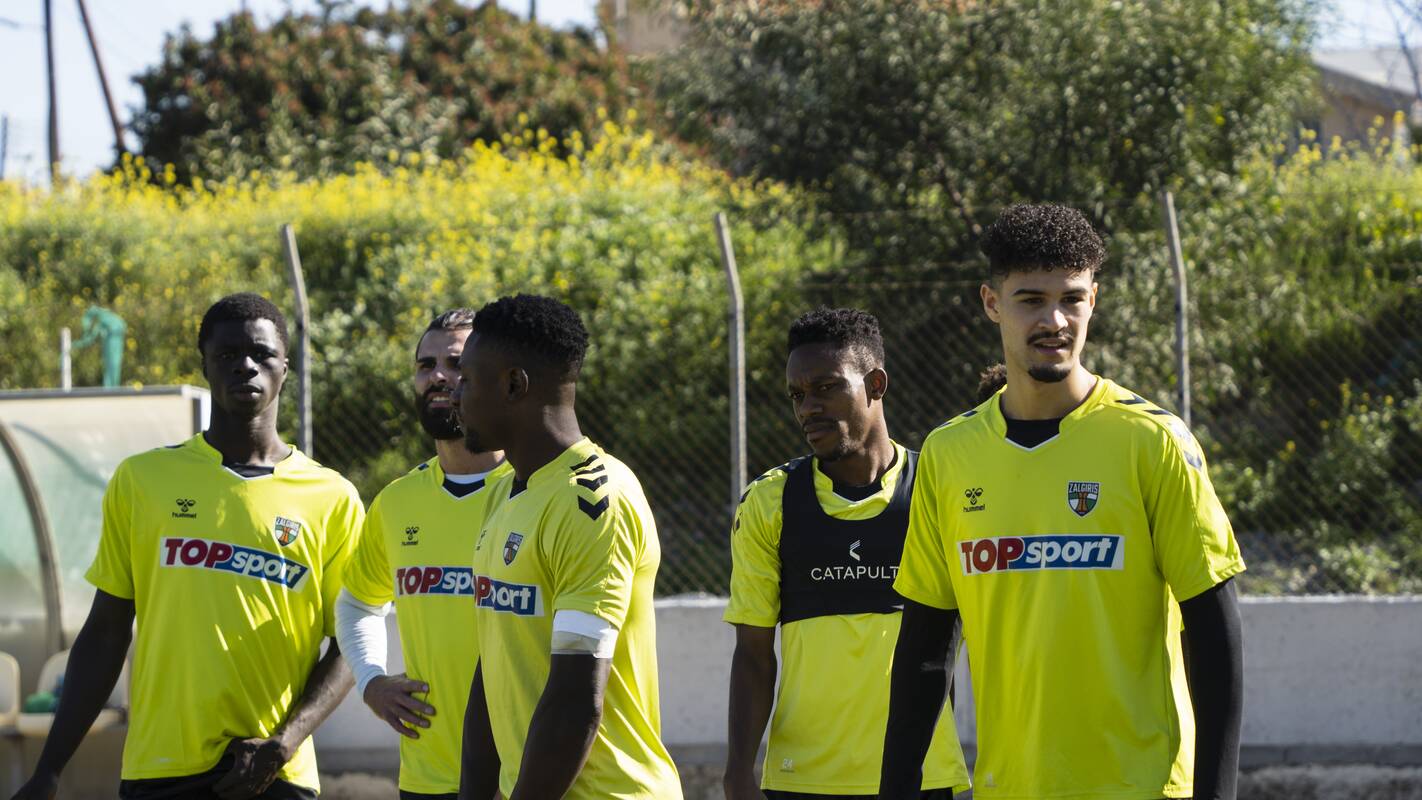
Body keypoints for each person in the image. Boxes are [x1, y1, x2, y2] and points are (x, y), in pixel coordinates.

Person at [880, 204, 1245, 800]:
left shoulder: (1152, 441)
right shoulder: (949, 454)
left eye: (1071, 299)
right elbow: (926, 645)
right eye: (1030, 300)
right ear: (992, 303)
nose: (1054, 320)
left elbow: (1214, 631)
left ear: (1093, 300)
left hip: (1143, 788)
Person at [13, 292, 362, 800]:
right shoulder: (144, 480)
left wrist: (285, 743)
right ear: (205, 366)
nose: (245, 366)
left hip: (274, 772)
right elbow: (106, 631)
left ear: (285, 368)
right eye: (228, 354)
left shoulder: (332, 497)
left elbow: (351, 642)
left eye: (261, 354)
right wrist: (49, 770)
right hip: (162, 767)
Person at [724, 308, 969, 800]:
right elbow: (753, 654)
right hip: (801, 780)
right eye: (797, 395)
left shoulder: (938, 490)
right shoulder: (769, 501)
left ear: (876, 384)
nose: (808, 408)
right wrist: (736, 774)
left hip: (922, 777)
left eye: (825, 387)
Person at [454, 294, 681, 799]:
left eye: (466, 379)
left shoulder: (595, 501)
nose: (455, 394)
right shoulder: (504, 492)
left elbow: (577, 701)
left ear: (514, 385)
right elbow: (494, 669)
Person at [336, 309, 511, 800]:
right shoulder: (397, 502)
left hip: (525, 778)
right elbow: (357, 603)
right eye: (425, 365)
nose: (438, 376)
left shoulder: (534, 491)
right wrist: (371, 681)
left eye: (456, 363)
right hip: (426, 779)